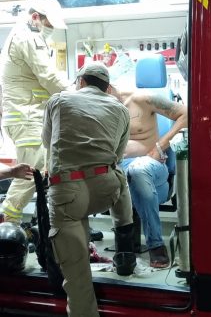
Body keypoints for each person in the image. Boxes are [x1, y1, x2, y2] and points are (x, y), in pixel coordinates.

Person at [42, 62, 136, 317]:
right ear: (106, 88)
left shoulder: (59, 100)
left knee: (78, 278)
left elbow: (47, 142)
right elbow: (117, 155)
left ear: (81, 81)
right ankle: (125, 240)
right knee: (119, 173)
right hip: (105, 192)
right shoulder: (120, 109)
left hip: (67, 195)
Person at [0, 0, 70, 224]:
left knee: (39, 171)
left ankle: (31, 226)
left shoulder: (23, 35)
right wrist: (78, 95)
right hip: (26, 116)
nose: (50, 29)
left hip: (29, 116)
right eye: (49, 24)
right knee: (30, 172)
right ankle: (7, 226)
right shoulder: (28, 37)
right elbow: (48, 77)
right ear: (35, 17)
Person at [111, 85, 187, 268]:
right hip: (116, 166)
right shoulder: (99, 108)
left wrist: (160, 146)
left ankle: (156, 245)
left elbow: (186, 114)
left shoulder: (143, 98)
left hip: (149, 166)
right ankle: (119, 248)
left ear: (109, 88)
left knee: (137, 169)